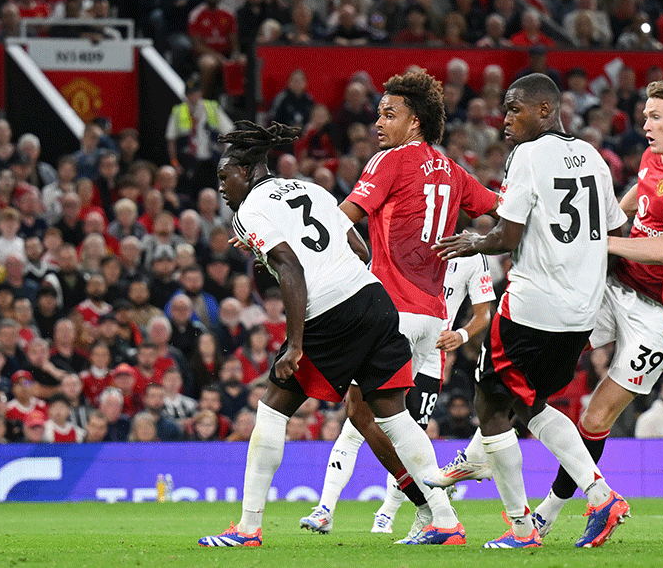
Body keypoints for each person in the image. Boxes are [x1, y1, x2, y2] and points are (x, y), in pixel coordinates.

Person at [198, 122, 464, 548]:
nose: (223, 187)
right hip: (374, 300)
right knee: (394, 415)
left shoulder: (247, 211)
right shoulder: (311, 190)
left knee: (271, 410)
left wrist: (297, 344)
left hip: (328, 313)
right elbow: (359, 249)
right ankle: (446, 521)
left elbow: (290, 266)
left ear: (246, 172)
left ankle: (247, 529)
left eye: (225, 177)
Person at [429, 73, 628, 549]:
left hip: (532, 306)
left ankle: (522, 528)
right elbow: (617, 236)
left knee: (491, 401)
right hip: (580, 313)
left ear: (545, 110)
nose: (506, 119)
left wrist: (471, 242)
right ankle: (599, 495)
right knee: (528, 402)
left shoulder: (528, 156)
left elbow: (506, 236)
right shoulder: (594, 158)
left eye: (514, 108)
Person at [523, 79, 663, 537]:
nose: (645, 123)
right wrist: (608, 219)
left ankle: (552, 513)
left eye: (656, 116)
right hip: (621, 285)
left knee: (595, 418)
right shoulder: (655, 156)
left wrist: (593, 241)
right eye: (646, 114)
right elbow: (638, 194)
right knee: (531, 358)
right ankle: (484, 451)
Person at [302, 69, 498, 539]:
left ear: (415, 122)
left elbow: (341, 217)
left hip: (390, 311)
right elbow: (504, 211)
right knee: (385, 415)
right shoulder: (453, 170)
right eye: (378, 114)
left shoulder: (388, 161)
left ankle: (433, 509)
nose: (378, 124)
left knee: (360, 410)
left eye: (390, 114)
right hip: (432, 316)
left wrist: (285, 241)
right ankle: (435, 511)